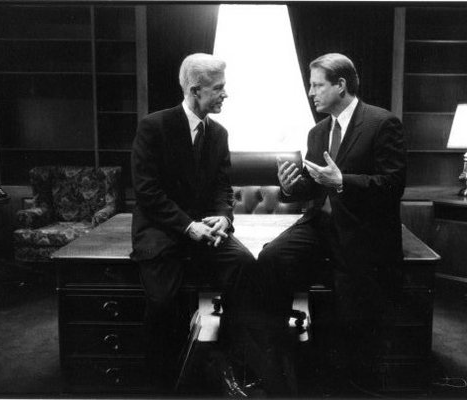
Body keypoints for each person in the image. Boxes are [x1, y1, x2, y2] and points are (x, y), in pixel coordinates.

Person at [256, 52, 406, 395]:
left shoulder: (383, 123)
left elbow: (394, 185)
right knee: (269, 259)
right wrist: (290, 187)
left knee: (353, 314)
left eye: (317, 85)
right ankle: (284, 355)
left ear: (341, 85)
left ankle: (348, 382)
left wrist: (343, 182)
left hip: (361, 230)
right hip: (319, 224)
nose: (312, 92)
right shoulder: (318, 131)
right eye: (311, 85)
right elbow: (311, 186)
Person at [130, 53, 255, 395]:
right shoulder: (153, 127)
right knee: (163, 300)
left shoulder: (219, 133)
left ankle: (226, 362)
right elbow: (147, 193)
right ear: (195, 90)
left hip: (205, 229)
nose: (224, 94)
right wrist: (188, 226)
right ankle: (162, 384)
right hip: (161, 227)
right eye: (219, 88)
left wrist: (224, 217)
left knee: (245, 266)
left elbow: (222, 186)